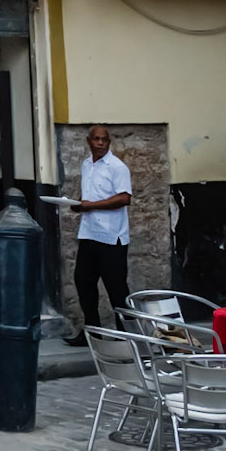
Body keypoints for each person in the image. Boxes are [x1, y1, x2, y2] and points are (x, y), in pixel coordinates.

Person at [71, 125, 133, 341]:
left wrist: (92, 205)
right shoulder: (87, 165)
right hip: (89, 233)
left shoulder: (117, 167)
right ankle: (92, 332)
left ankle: (125, 335)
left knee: (116, 288)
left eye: (104, 140)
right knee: (83, 282)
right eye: (96, 139)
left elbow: (124, 198)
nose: (99, 143)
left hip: (111, 236)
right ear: (88, 141)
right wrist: (79, 205)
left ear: (109, 142)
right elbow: (91, 194)